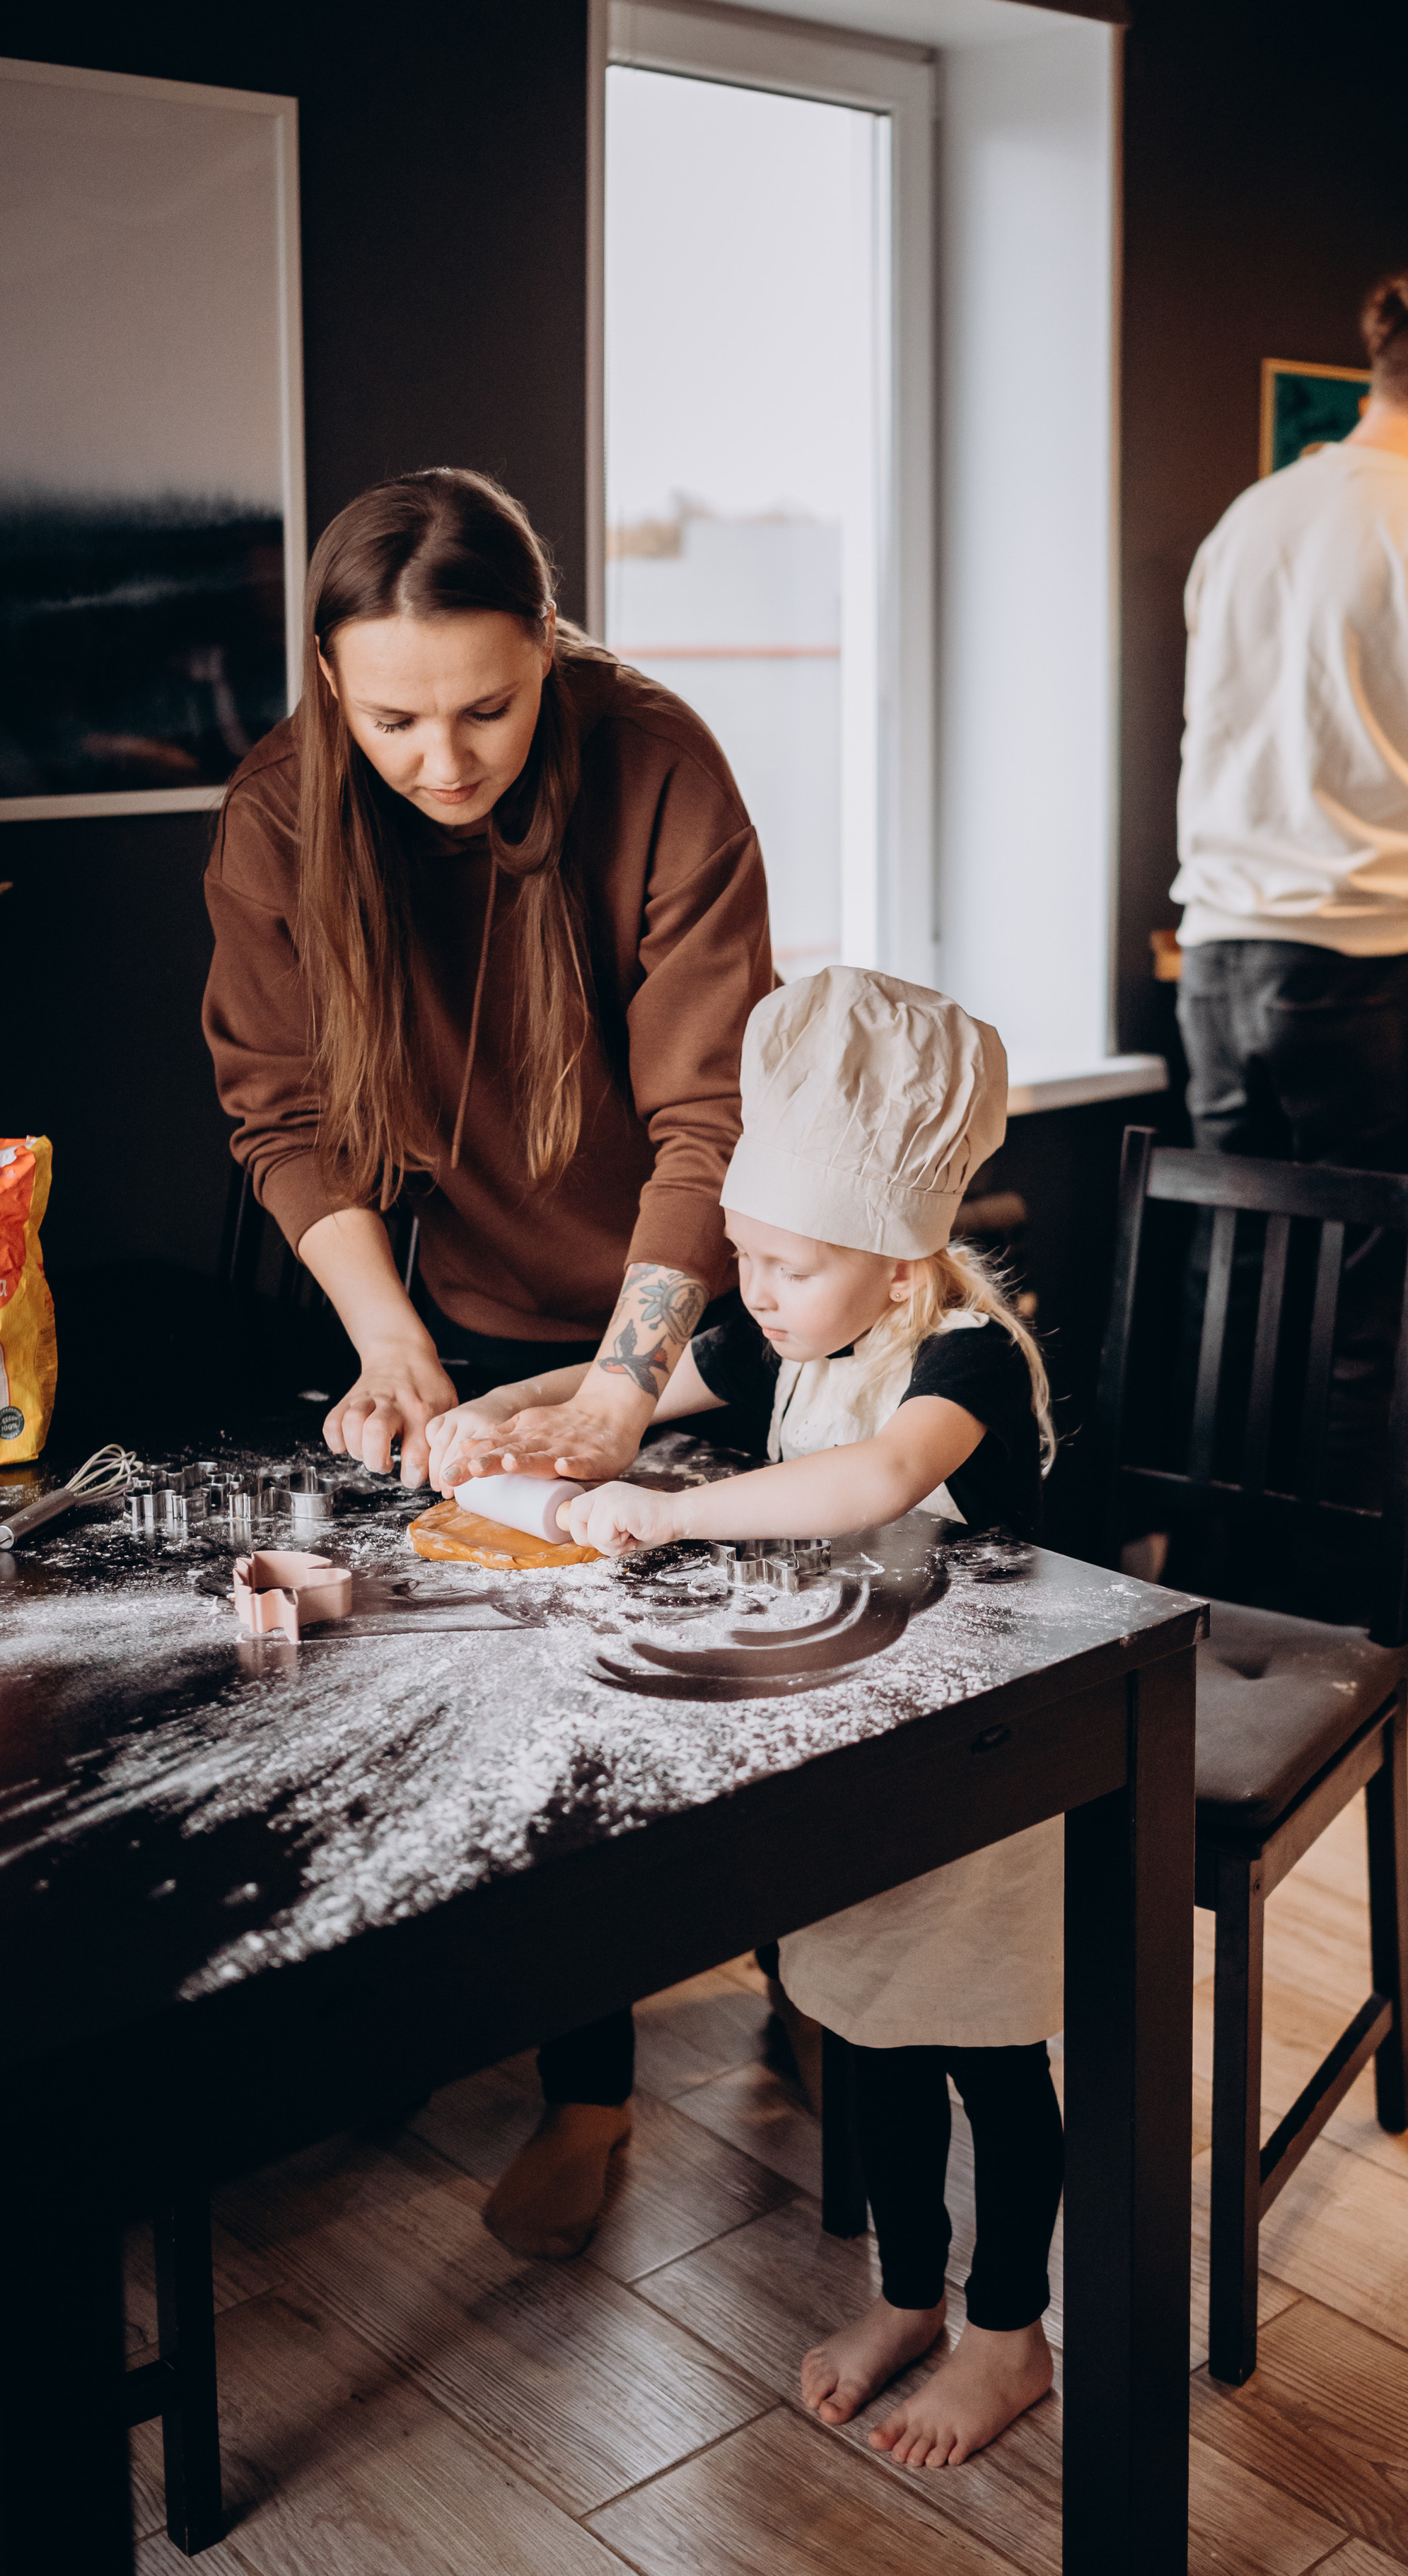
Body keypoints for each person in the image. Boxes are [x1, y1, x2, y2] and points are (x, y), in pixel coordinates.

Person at [202, 466, 772, 2253]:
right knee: (542, 1711)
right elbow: (283, 1111)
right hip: (464, 1302)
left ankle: (825, 1993)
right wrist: (392, 1341)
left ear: (549, 653)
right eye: (393, 719)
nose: (442, 761)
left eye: (485, 709)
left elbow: (708, 1118)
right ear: (326, 681)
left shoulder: (659, 760)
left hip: (686, 1293)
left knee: (756, 1658)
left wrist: (628, 1377)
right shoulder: (284, 803)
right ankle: (587, 2090)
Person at [434, 967, 1063, 2468]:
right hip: (863, 1766)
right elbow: (619, 1397)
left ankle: (1007, 2333)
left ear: (901, 1273)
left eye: (782, 1266)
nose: (752, 1292)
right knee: (880, 2048)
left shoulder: (963, 1361)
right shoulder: (791, 1340)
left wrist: (667, 1520)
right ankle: (909, 2296)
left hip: (992, 1774)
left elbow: (867, 1485)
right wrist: (507, 1418)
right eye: (746, 1258)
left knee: (987, 2059)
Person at [1170, 269, 1408, 1698]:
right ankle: (1345, 1650)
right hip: (1380, 962)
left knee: (1232, 1296)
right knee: (1367, 1319)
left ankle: (1210, 1621)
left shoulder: (1250, 515)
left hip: (1218, 956)